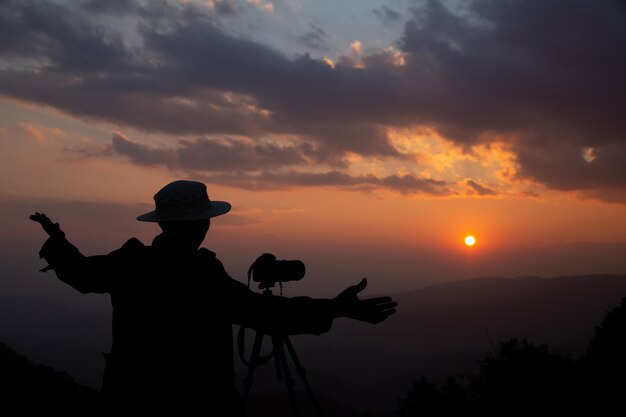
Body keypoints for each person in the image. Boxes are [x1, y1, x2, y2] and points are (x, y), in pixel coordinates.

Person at [30, 180, 397, 415]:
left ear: (161, 223)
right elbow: (265, 313)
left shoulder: (131, 262)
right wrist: (337, 308)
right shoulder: (203, 276)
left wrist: (57, 240)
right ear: (203, 224)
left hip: (130, 401)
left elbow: (80, 273)